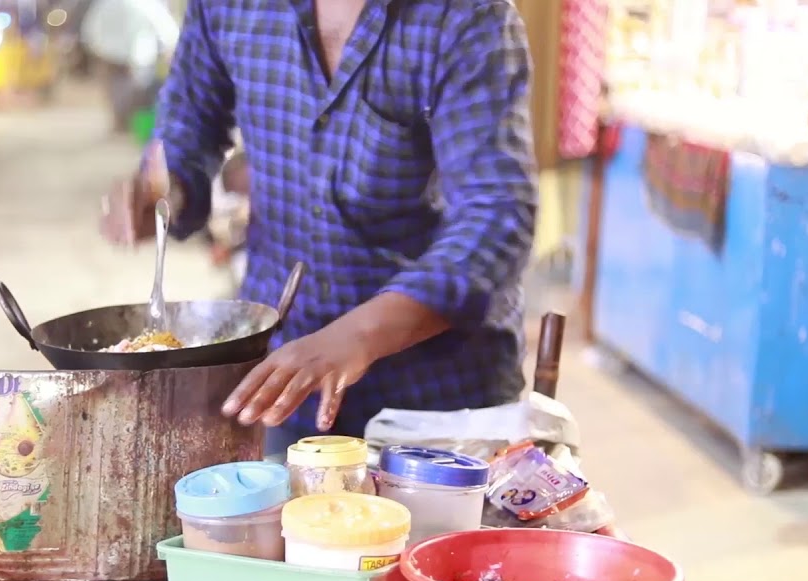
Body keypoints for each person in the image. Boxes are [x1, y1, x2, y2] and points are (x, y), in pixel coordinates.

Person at [101, 0, 538, 458]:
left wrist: (358, 335)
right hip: (285, 380)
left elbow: (496, 217)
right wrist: (165, 191)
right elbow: (190, 124)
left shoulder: (465, 16)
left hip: (439, 399)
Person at [79, 0, 178, 132]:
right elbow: (166, 30)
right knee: (134, 90)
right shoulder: (148, 5)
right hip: (136, 56)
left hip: (112, 54)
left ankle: (122, 121)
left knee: (116, 91)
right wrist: (167, 48)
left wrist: (95, 48)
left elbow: (90, 29)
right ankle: (127, 122)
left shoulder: (105, 4)